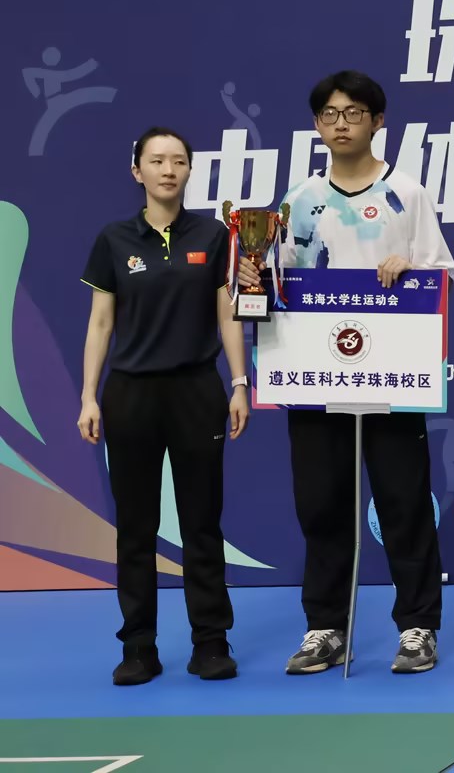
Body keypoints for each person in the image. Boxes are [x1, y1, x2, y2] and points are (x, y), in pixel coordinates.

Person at [240, 70, 454, 674]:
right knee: (321, 503)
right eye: (330, 114)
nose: (341, 123)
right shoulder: (299, 199)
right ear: (316, 124)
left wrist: (410, 266)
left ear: (377, 121)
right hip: (315, 374)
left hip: (391, 375)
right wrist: (255, 277)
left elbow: (442, 273)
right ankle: (326, 628)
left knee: (404, 501)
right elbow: (277, 278)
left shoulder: (407, 193)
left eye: (354, 113)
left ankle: (417, 627)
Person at [79, 127, 251, 685]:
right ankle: (138, 646)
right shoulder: (113, 238)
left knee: (202, 523)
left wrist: (240, 382)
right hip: (130, 394)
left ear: (189, 171)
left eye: (178, 161)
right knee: (135, 526)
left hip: (196, 391)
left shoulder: (214, 235)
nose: (168, 170)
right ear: (138, 171)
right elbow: (100, 322)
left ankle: (211, 642)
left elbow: (228, 313)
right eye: (156, 161)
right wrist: (88, 396)